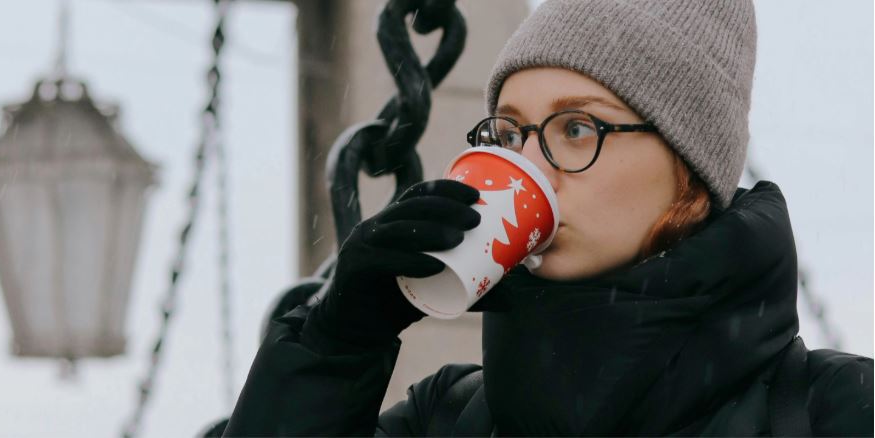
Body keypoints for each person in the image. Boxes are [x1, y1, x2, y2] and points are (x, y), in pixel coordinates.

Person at [221, 0, 873, 436]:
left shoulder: (837, 411)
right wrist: (332, 348)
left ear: (689, 169)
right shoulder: (447, 416)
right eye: (508, 133)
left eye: (575, 127)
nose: (530, 164)